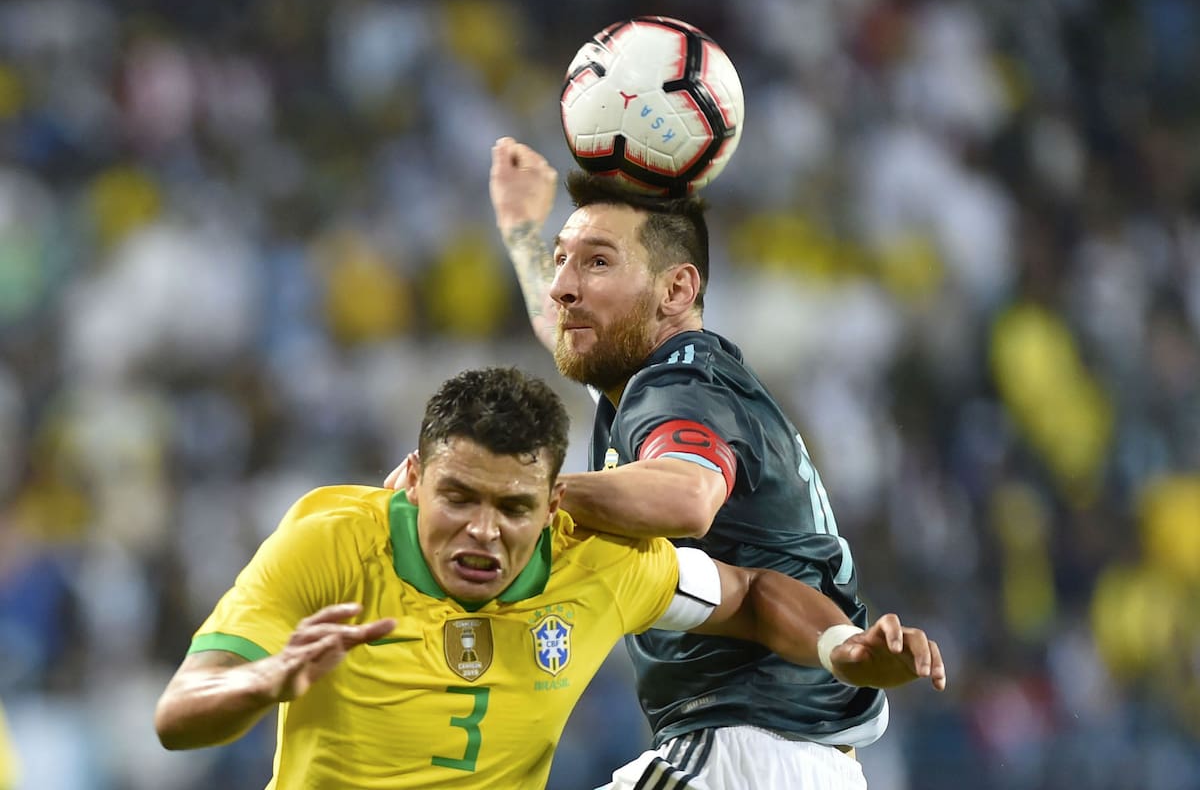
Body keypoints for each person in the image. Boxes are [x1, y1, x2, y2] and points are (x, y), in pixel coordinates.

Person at [157, 367, 944, 790]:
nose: (483, 531)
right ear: (410, 479)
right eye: (457, 498)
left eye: (513, 507)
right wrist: (265, 679)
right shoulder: (330, 543)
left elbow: (748, 593)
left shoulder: (590, 557)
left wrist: (843, 647)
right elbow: (179, 715)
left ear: (553, 501)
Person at [479, 137, 927, 788]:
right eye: (560, 261)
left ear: (675, 289)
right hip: (796, 759)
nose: (563, 287)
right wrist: (522, 228)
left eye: (596, 262)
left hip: (742, 754)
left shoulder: (675, 389)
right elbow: (558, 322)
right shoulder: (658, 373)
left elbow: (688, 496)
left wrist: (524, 492)